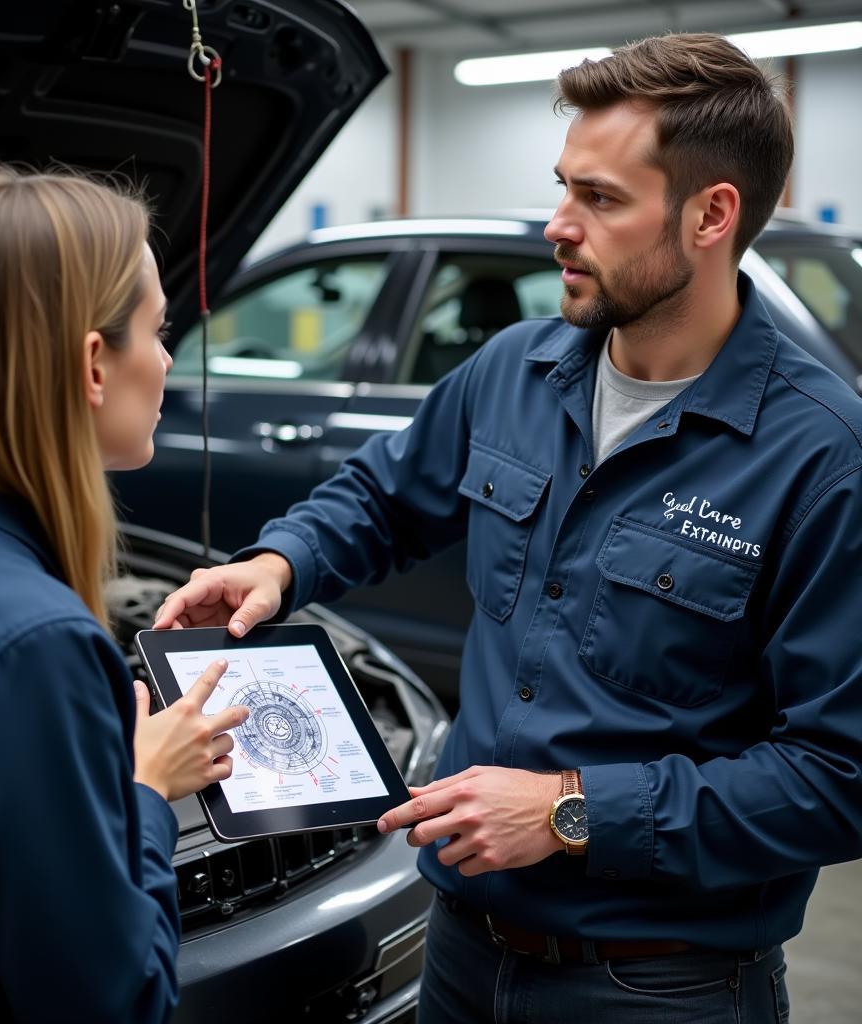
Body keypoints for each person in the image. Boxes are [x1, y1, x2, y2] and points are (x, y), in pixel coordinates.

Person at [154, 32, 862, 1022]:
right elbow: (382, 498)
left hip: (658, 989)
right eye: (562, 186)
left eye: (600, 199)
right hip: (459, 954)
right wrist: (281, 561)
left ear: (712, 214)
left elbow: (838, 777)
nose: (557, 226)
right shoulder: (515, 369)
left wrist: (572, 813)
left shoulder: (822, 457)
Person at [0, 168, 249, 1022]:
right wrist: (145, 790)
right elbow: (115, 1002)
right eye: (158, 330)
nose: (169, 361)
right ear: (96, 364)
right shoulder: (35, 644)